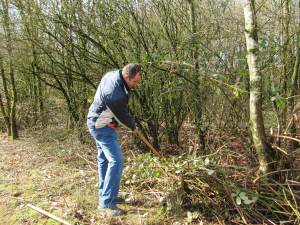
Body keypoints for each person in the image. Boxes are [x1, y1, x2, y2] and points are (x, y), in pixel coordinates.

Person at [87, 63, 141, 216]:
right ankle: (107, 204)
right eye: (135, 81)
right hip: (100, 125)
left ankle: (106, 194)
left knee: (104, 159)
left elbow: (116, 112)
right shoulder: (115, 94)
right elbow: (123, 115)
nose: (136, 84)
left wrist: (116, 121)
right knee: (116, 161)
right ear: (126, 76)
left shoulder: (113, 74)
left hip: (99, 120)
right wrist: (133, 127)